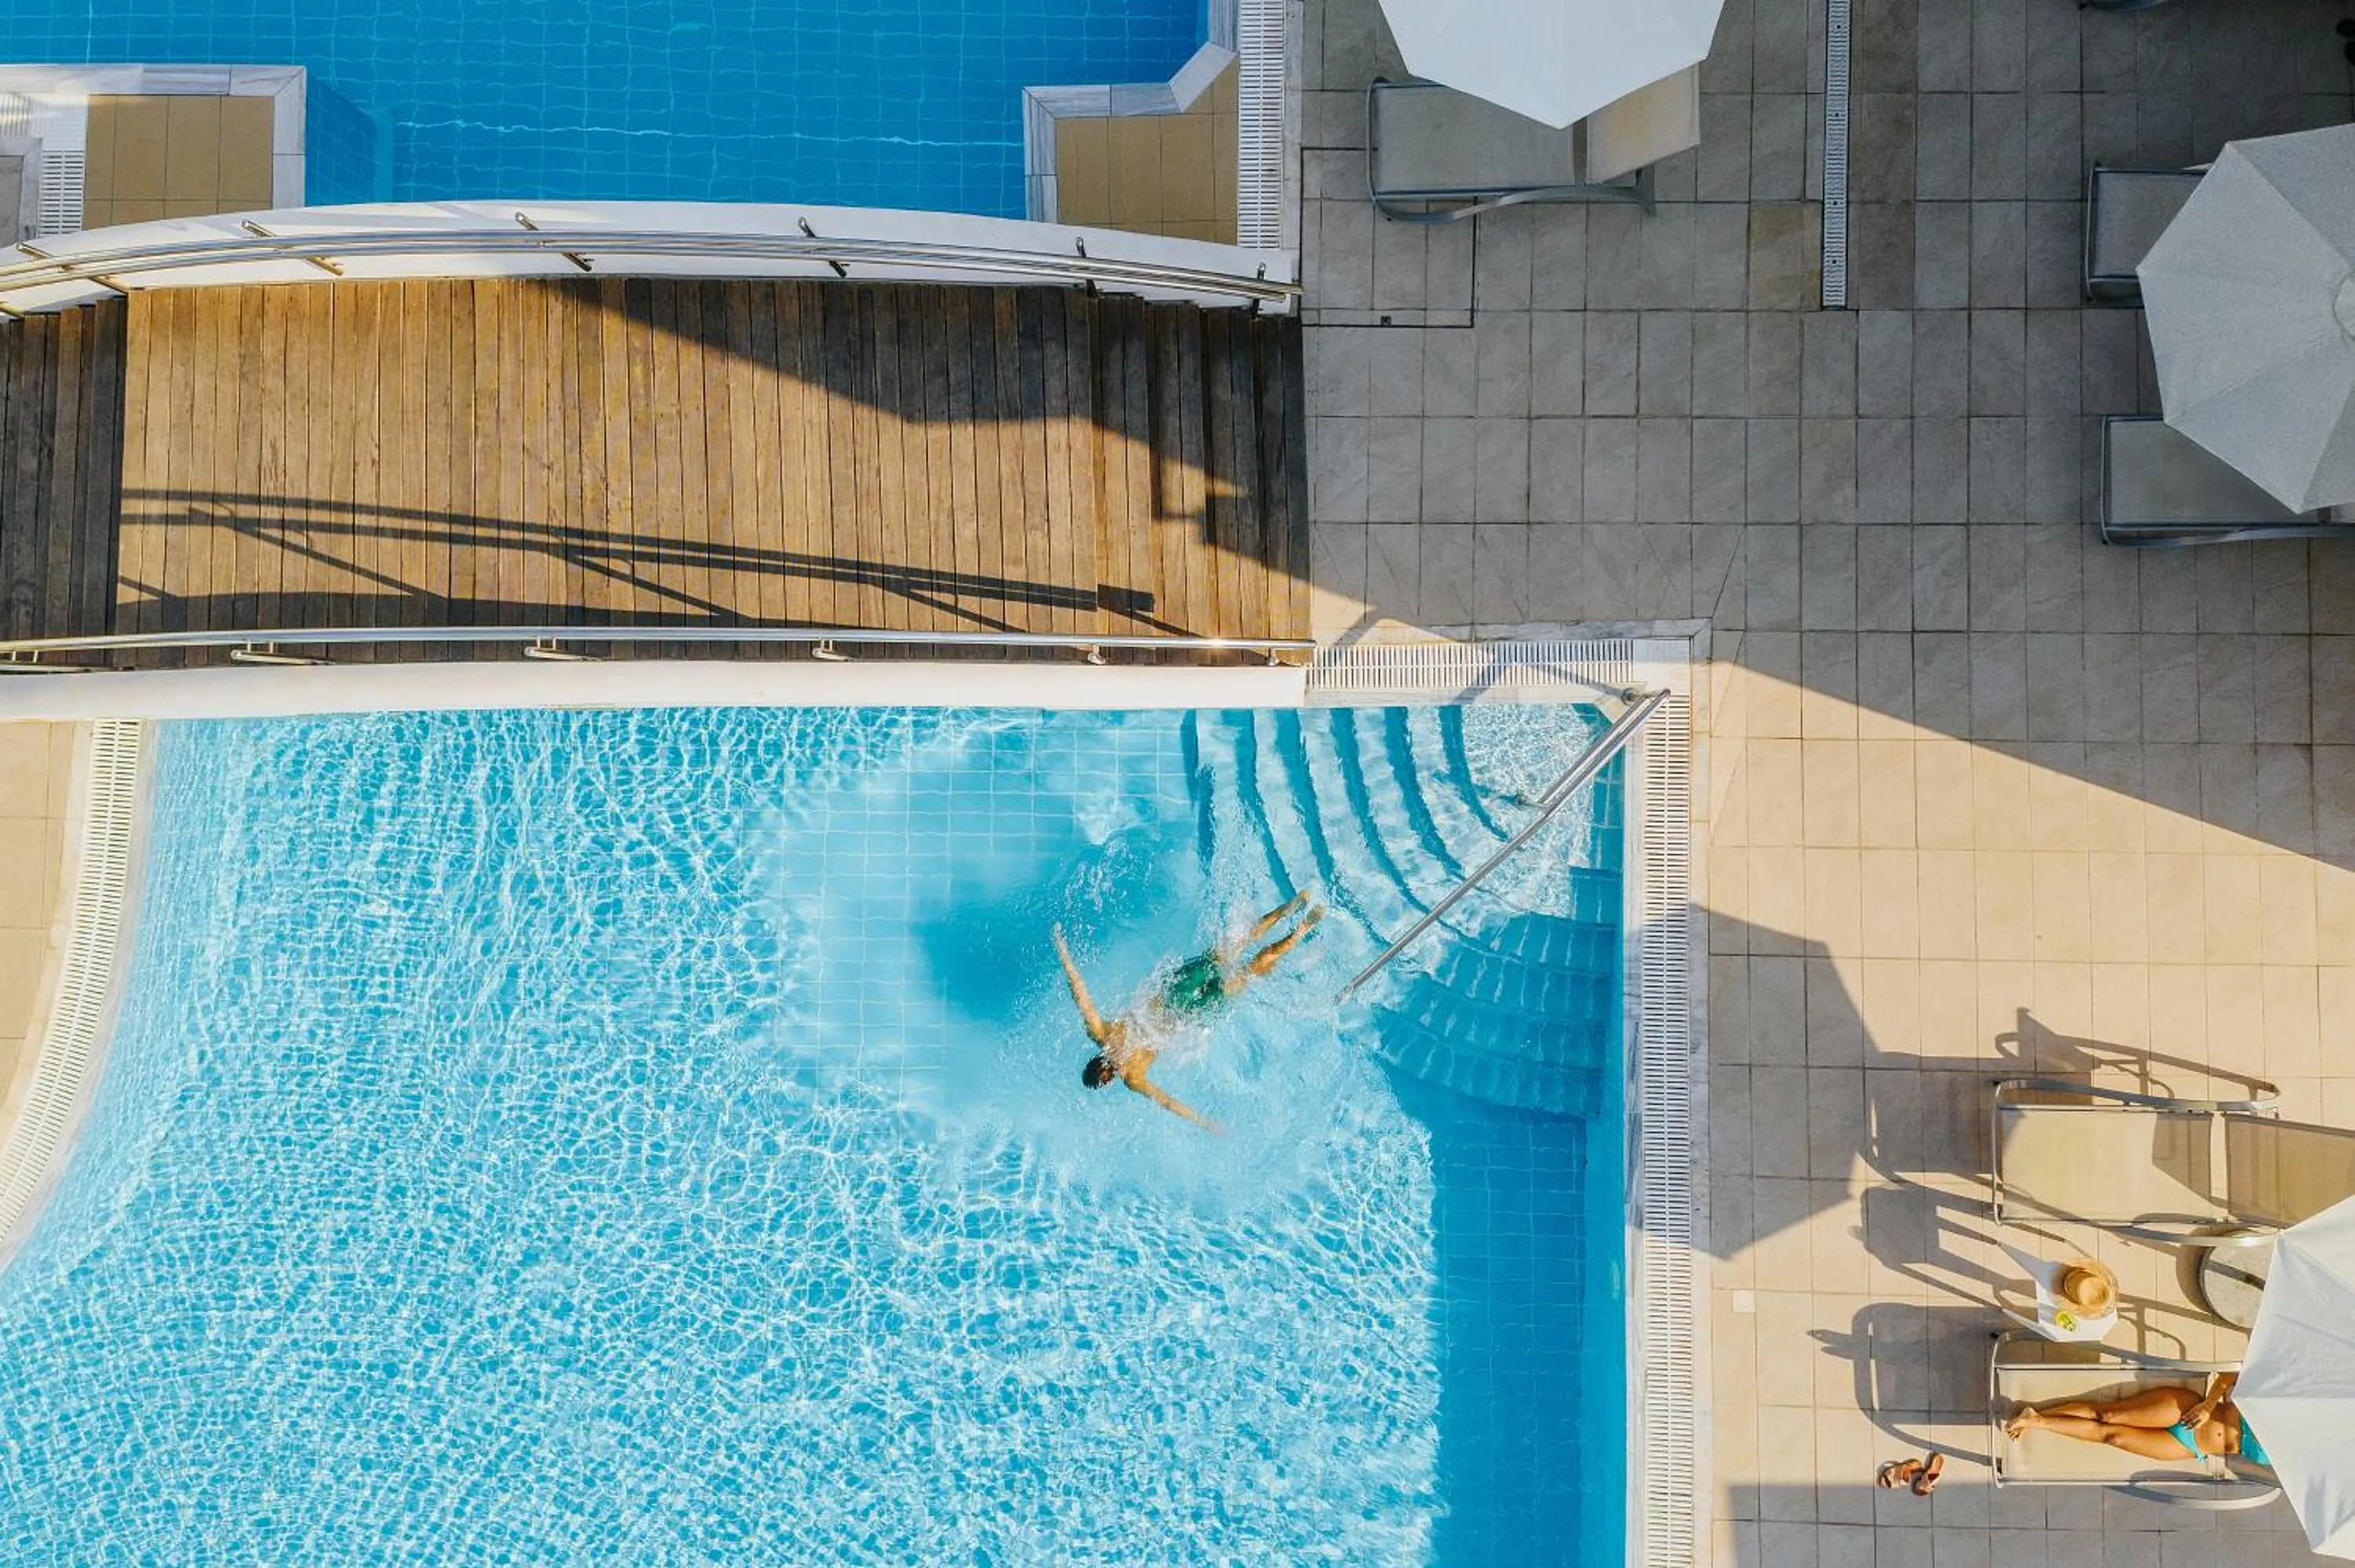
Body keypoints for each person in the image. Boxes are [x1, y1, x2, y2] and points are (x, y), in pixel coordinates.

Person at [1052, 892, 1324, 1136]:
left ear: (1108, 1080)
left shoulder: (1132, 1076)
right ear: (1095, 1059)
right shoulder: (1101, 1034)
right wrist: (1063, 954)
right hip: (1175, 992)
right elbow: (1079, 992)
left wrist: (1204, 1122)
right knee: (1232, 948)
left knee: (1250, 970)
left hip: (1191, 1014)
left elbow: (1167, 1103)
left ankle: (1300, 931)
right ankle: (1287, 909)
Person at [2005, 1371, 2271, 1467]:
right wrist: (2208, 1406)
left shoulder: (2285, 1464)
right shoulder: (2279, 1407)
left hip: (2190, 1447)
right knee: (2109, 1415)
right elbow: (2229, 1375)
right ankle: (2034, 1418)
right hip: (2188, 1410)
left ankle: (2036, 1420)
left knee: (2112, 1436)